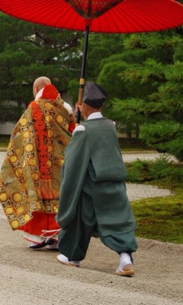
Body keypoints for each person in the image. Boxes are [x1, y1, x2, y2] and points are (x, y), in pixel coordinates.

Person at [56, 82, 137, 277]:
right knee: (117, 220)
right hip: (115, 183)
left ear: (84, 105)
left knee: (80, 220)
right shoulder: (111, 126)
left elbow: (73, 165)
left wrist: (68, 190)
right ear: (101, 105)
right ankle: (125, 257)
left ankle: (72, 257)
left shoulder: (83, 131)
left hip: (92, 187)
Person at [0, 77, 76, 249]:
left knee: (35, 196)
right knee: (60, 198)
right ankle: (56, 237)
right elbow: (72, 131)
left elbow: (19, 134)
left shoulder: (33, 108)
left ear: (36, 89)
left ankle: (37, 237)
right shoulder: (65, 107)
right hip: (60, 162)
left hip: (36, 162)